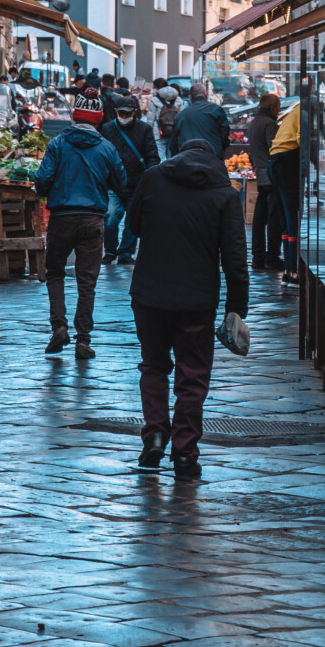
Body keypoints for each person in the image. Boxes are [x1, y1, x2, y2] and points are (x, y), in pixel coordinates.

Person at [126, 138, 249, 480]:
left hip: (149, 293)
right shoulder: (225, 193)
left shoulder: (153, 178)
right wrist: (237, 308)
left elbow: (134, 226)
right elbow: (235, 257)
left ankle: (153, 434)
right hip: (197, 299)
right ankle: (184, 453)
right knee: (192, 377)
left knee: (153, 366)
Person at [33, 118, 128, 359]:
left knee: (55, 273)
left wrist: (53, 189)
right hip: (92, 219)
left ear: (74, 118)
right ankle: (83, 340)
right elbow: (121, 182)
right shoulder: (106, 147)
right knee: (87, 282)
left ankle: (59, 327)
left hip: (62, 218)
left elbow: (42, 180)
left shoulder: (57, 144)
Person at [100, 92, 158, 264]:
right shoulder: (107, 129)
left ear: (134, 112)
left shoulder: (144, 129)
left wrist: (151, 176)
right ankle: (110, 251)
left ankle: (126, 252)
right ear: (116, 111)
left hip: (137, 183)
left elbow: (152, 155)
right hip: (114, 184)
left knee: (133, 222)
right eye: (121, 113)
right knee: (110, 218)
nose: (124, 117)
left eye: (127, 113)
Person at [246, 92, 283, 271]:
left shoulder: (254, 122)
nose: (280, 110)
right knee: (273, 218)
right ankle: (271, 257)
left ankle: (257, 257)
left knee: (259, 219)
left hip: (260, 175)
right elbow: (274, 148)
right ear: (272, 108)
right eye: (278, 107)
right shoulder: (269, 123)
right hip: (270, 176)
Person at [269, 99, 301, 285]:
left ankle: (289, 270)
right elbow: (301, 140)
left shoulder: (295, 111)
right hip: (287, 161)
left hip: (274, 161)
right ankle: (294, 271)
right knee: (292, 215)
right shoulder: (306, 111)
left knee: (285, 217)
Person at [169, 81, 231, 159]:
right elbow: (225, 133)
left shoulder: (180, 116)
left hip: (188, 158)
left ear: (190, 97)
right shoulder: (216, 110)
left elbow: (173, 143)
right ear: (206, 95)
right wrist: (221, 149)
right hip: (213, 156)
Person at [151, 84, 179, 159]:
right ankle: (171, 170)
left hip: (159, 132)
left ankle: (162, 170)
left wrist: (150, 133)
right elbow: (181, 118)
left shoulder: (154, 100)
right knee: (171, 156)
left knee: (160, 156)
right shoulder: (178, 100)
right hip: (173, 132)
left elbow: (151, 119)